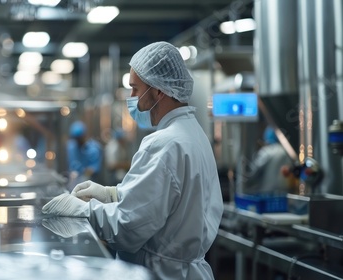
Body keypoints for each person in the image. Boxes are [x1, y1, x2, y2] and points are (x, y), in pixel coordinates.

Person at [43, 41, 224, 279]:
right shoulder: (194, 135)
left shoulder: (164, 143)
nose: (131, 98)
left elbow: (127, 228)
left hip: (160, 272)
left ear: (159, 90)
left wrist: (84, 210)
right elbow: (163, 202)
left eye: (135, 89)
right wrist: (111, 195)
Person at [241, 125, 294, 194]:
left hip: (267, 192)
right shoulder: (287, 152)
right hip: (283, 193)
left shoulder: (267, 151)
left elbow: (253, 172)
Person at [66, 121, 103, 187]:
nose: (77, 141)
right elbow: (72, 165)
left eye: (79, 138)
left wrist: (84, 176)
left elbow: (94, 168)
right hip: (74, 180)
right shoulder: (71, 146)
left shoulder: (94, 149)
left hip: (90, 182)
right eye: (75, 139)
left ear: (85, 135)